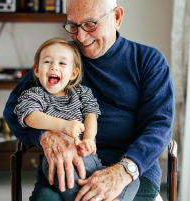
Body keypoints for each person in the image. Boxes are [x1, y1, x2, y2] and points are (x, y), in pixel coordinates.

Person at [4, 0, 175, 201]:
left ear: (117, 17)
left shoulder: (148, 60)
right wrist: (45, 134)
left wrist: (124, 170)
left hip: (130, 169)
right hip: (68, 166)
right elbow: (14, 108)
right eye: (73, 26)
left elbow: (159, 125)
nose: (81, 37)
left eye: (90, 24)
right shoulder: (62, 58)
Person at [13, 38, 139, 201]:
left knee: (132, 181)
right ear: (36, 70)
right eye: (47, 61)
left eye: (62, 63)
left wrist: (88, 138)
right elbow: (30, 116)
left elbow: (91, 116)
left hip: (89, 157)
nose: (54, 67)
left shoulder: (82, 93)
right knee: (68, 176)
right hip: (58, 159)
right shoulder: (35, 95)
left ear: (73, 73)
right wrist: (63, 125)